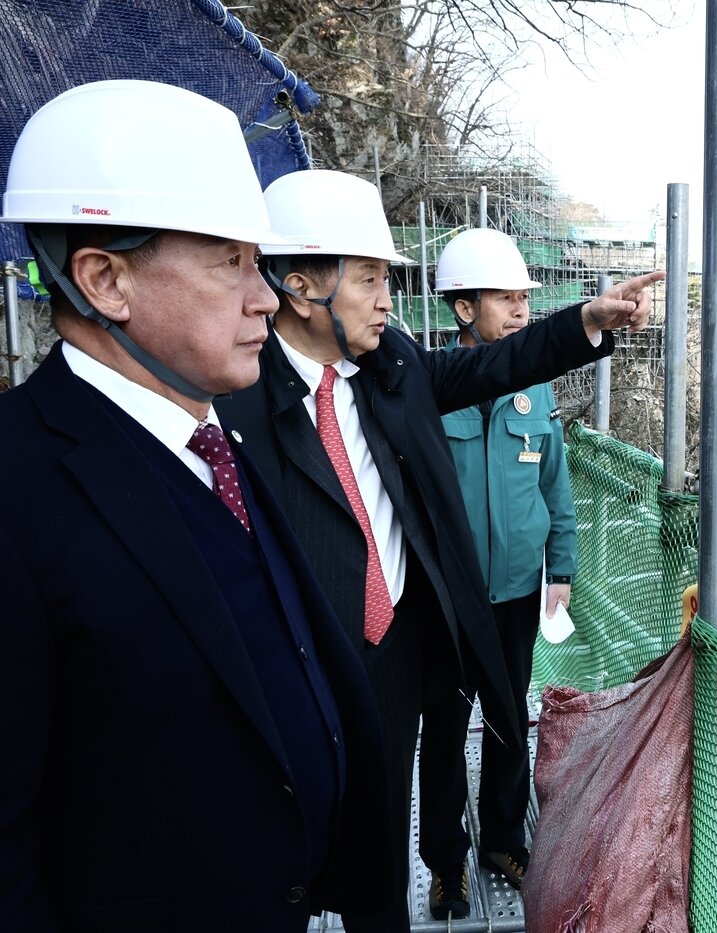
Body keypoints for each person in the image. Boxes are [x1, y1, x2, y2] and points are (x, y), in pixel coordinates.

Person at [213, 169, 662, 930]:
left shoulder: (392, 369)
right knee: (288, 845)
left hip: (397, 649)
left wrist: (586, 318)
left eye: (387, 276)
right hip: (300, 666)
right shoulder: (234, 402)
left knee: (382, 845)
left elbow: (497, 365)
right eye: (368, 277)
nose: (387, 297)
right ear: (297, 286)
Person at [0, 81, 393, 932]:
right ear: (106, 279)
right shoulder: (17, 488)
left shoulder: (209, 436)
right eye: (230, 262)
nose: (265, 296)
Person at [428, 229, 578, 904]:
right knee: (442, 722)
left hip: (517, 590)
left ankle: (503, 840)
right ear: (465, 309)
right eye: (507, 299)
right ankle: (443, 860)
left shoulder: (536, 392)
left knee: (507, 719)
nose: (522, 311)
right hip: (445, 598)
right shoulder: (427, 390)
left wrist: (561, 569)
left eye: (526, 299)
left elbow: (557, 485)